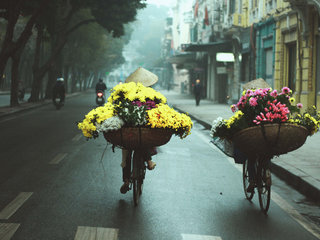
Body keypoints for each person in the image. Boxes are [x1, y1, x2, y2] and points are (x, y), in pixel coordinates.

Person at [120, 67, 158, 194]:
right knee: (142, 141)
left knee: (127, 154)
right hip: (137, 128)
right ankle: (149, 161)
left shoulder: (127, 95)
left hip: (130, 129)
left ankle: (126, 180)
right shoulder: (151, 95)